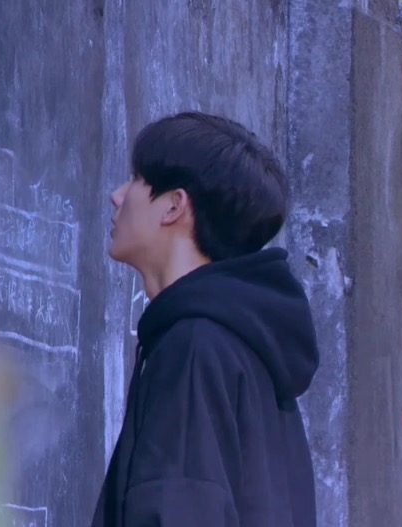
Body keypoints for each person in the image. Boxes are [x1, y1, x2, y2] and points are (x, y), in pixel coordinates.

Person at [92, 111, 320, 527]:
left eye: (137, 180)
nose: (117, 196)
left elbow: (177, 508)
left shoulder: (195, 345)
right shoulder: (249, 345)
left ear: (174, 205)